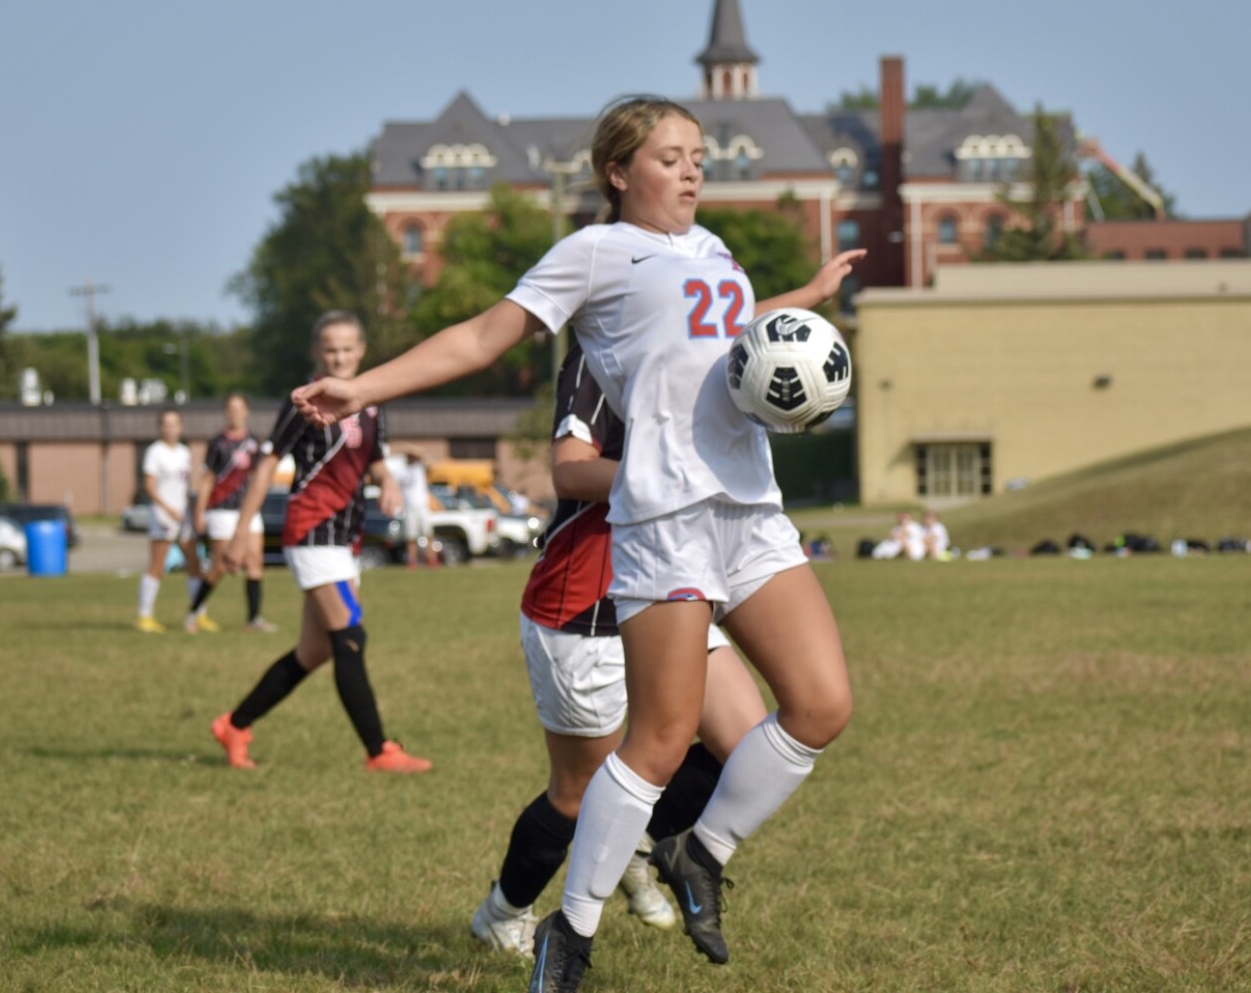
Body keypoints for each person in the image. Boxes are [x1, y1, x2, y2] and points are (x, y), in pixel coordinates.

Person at [290, 95, 863, 991]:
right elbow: (482, 336)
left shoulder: (715, 254)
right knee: (663, 742)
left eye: (698, 154)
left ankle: (699, 854)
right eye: (670, 156)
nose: (692, 169)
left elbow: (727, 337)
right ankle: (572, 934)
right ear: (618, 171)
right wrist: (362, 387)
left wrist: (806, 299)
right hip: (666, 523)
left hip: (752, 512)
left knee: (822, 704)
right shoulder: (592, 255)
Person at [471, 346, 769, 958]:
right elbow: (571, 471)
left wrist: (808, 298)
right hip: (586, 603)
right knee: (580, 796)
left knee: (746, 747)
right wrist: (672, 476)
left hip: (672, 591)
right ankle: (503, 914)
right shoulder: (597, 357)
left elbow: (737, 312)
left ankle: (633, 844)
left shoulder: (693, 336)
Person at [210, 311, 432, 774]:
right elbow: (267, 465)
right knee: (351, 634)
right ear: (318, 353)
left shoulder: (372, 403)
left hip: (345, 539)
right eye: (331, 349)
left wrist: (388, 482)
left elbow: (375, 460)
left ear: (362, 351)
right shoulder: (304, 403)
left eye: (348, 348)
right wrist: (240, 532)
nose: (340, 356)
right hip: (311, 532)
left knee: (315, 651)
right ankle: (379, 751)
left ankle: (235, 724)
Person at [184, 393, 274, 633]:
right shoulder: (218, 443)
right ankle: (193, 613)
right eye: (231, 409)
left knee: (255, 561)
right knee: (221, 566)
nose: (235, 413)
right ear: (226, 412)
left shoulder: (255, 442)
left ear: (247, 411)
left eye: (239, 408)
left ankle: (254, 618)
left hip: (248, 510)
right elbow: (208, 479)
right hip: (222, 510)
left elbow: (259, 478)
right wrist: (199, 512)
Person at [136, 408, 208, 633]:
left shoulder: (185, 452)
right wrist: (168, 509)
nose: (171, 427)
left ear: (181, 426)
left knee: (195, 563)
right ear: (160, 427)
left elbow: (186, 487)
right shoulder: (155, 452)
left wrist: (191, 511)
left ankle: (198, 613)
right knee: (158, 566)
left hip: (183, 515)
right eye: (166, 424)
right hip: (163, 516)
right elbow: (150, 486)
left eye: (175, 423)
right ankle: (144, 616)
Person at [386, 449, 439, 568]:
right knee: (411, 537)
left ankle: (432, 560)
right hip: (409, 508)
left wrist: (417, 453)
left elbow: (429, 460)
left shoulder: (419, 468)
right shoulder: (401, 471)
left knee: (429, 535)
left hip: (422, 507)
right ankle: (412, 561)